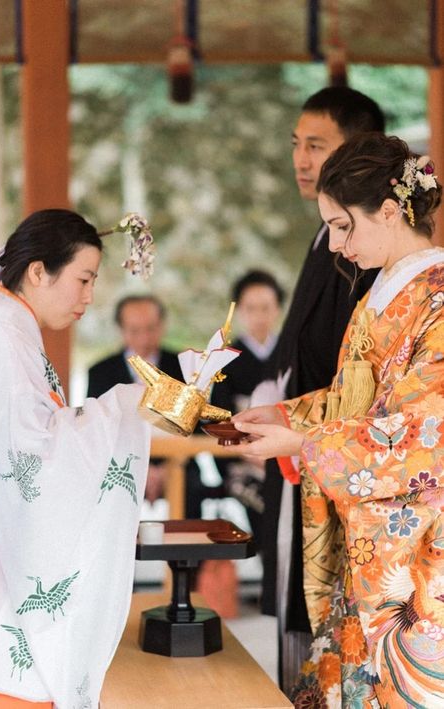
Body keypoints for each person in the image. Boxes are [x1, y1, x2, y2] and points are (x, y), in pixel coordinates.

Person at [234, 132, 444, 707]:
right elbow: (355, 403)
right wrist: (286, 413)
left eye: (344, 225)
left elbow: (429, 434)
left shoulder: (438, 297)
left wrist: (304, 441)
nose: (335, 243)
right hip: (367, 535)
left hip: (416, 547)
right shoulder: (381, 293)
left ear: (390, 210)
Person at [0, 209, 151, 707]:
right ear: (37, 272)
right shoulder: (0, 338)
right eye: (84, 279)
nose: (89, 297)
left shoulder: (4, 324)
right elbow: (34, 453)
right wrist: (127, 405)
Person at [259, 86, 384, 692]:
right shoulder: (330, 241)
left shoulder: (394, 269)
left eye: (317, 146)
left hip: (356, 470)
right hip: (314, 449)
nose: (302, 160)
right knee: (307, 631)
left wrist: (306, 434)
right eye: (296, 146)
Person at [87, 295, 214, 517]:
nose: (144, 337)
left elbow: (195, 426)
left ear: (163, 325)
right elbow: (97, 429)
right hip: (121, 463)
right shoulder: (100, 372)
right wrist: (139, 468)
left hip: (178, 462)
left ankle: (187, 551)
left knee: (192, 489)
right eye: (135, 330)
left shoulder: (184, 367)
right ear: (121, 330)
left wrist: (166, 467)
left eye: (151, 328)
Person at [210, 269, 285, 544]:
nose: (259, 316)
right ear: (239, 311)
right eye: (251, 308)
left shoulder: (290, 354)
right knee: (270, 518)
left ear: (278, 309)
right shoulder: (226, 360)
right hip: (243, 462)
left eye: (266, 307)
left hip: (288, 454)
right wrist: (255, 455)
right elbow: (220, 418)